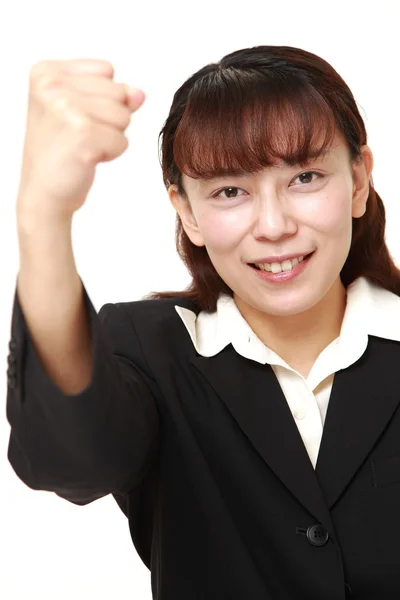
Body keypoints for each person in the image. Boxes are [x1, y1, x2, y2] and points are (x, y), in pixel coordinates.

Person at [6, 45, 400, 600]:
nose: (273, 225)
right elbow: (71, 461)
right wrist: (43, 213)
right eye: (230, 191)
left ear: (359, 181)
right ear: (186, 211)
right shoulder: (148, 351)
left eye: (306, 177)